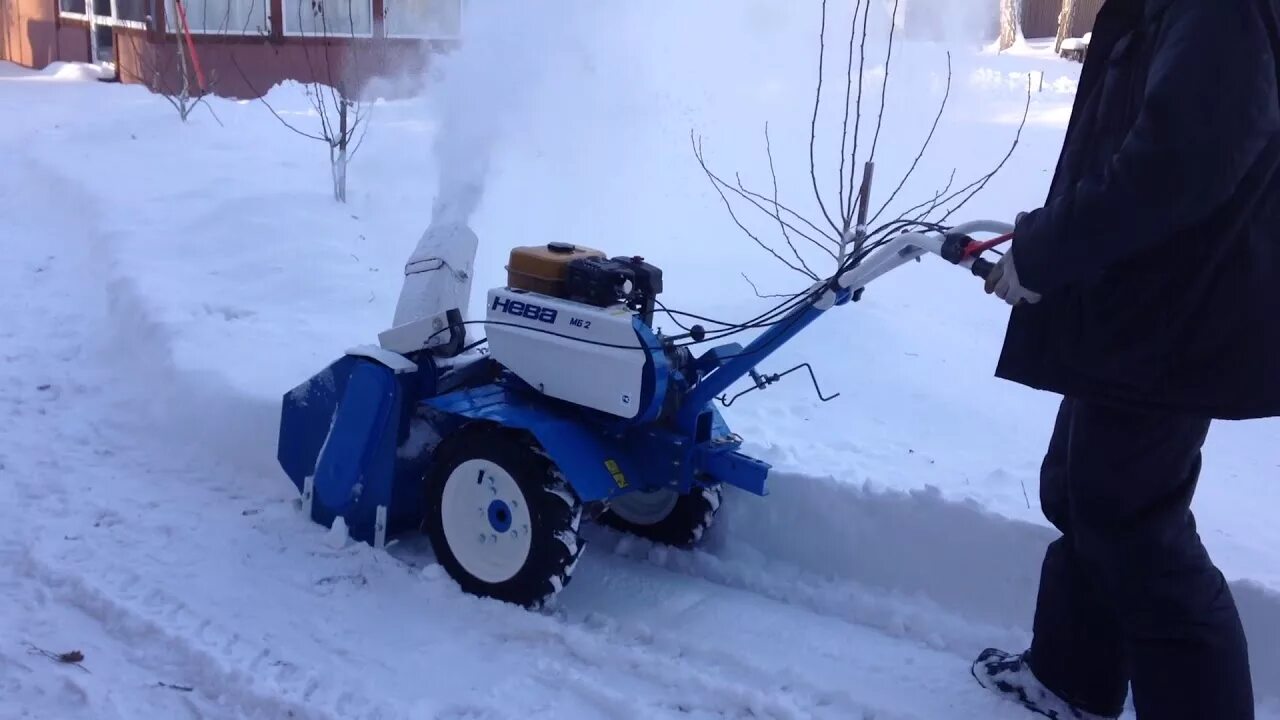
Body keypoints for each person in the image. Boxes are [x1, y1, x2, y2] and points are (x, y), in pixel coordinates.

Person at [973, 0, 1280, 718]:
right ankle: (1069, 677)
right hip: (1136, 303)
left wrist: (1050, 249)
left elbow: (1182, 162)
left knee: (1134, 524)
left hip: (1179, 313)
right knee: (1080, 491)